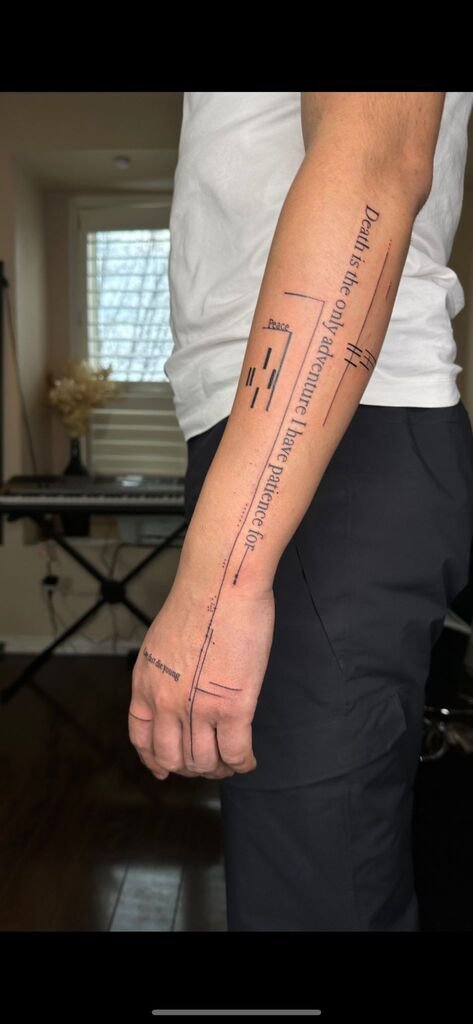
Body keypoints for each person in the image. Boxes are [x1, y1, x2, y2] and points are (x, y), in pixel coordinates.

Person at [128, 92, 473, 931]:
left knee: (313, 907)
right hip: (302, 433)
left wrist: (223, 580)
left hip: (329, 437)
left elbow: (376, 163)